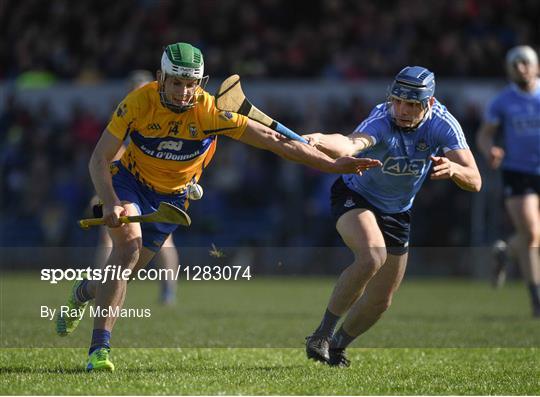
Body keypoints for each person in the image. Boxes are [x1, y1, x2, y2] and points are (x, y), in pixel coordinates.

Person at [55, 42, 381, 372]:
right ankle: (99, 351)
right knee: (127, 251)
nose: (184, 92)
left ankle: (84, 290)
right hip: (130, 183)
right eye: (176, 82)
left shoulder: (210, 111)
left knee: (126, 272)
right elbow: (98, 159)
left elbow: (276, 141)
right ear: (161, 78)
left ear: (202, 82)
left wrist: (331, 164)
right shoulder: (138, 103)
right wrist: (111, 202)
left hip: (171, 199)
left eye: (191, 83)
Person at [304, 66, 482, 367]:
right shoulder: (382, 119)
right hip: (356, 196)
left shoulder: (443, 124)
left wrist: (453, 169)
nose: (401, 110)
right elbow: (350, 143)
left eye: (411, 105)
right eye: (397, 101)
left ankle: (336, 347)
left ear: (429, 104)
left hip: (398, 211)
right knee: (372, 256)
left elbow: (475, 180)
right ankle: (321, 334)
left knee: (381, 300)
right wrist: (320, 139)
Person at [92, 69, 180, 305]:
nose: (137, 92)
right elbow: (109, 156)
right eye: (134, 88)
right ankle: (99, 288)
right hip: (127, 183)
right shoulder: (128, 111)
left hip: (149, 184)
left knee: (162, 241)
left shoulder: (158, 110)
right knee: (111, 238)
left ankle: (167, 291)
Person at [476, 45, 540, 316]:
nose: (520, 68)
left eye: (525, 62)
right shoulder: (502, 101)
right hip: (518, 171)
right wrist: (489, 149)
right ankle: (536, 299)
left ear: (536, 66)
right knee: (532, 234)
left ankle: (505, 251)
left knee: (531, 235)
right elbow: (484, 135)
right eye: (514, 64)